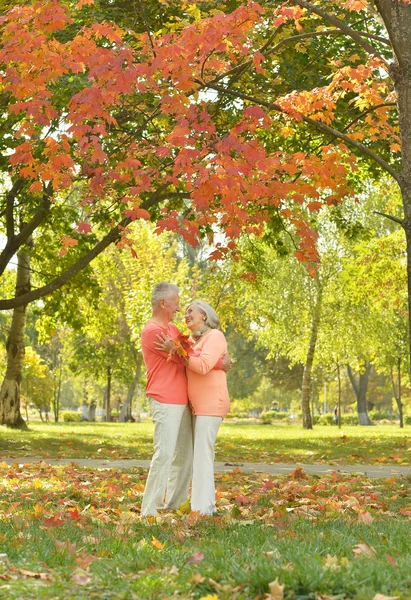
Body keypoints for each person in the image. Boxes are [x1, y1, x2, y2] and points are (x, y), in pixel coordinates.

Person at [140, 283, 231, 516]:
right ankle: (150, 510)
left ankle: (173, 505)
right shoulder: (153, 331)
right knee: (165, 454)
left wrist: (217, 362)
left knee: (184, 457)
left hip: (185, 401)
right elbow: (183, 357)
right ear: (163, 303)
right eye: (176, 301)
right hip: (165, 398)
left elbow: (192, 355)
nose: (180, 307)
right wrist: (220, 363)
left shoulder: (171, 329)